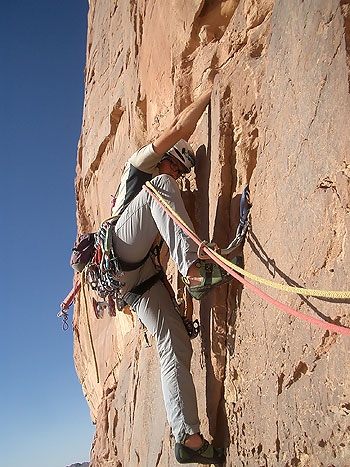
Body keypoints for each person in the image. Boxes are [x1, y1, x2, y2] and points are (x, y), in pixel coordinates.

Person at [111, 89, 228, 464]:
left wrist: (178, 303)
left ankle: (188, 438)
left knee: (175, 343)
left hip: (137, 278)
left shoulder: (160, 208)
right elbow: (178, 126)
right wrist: (212, 87)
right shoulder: (142, 168)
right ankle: (196, 270)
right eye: (177, 167)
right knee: (159, 191)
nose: (179, 177)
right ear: (167, 158)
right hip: (119, 250)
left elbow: (159, 258)